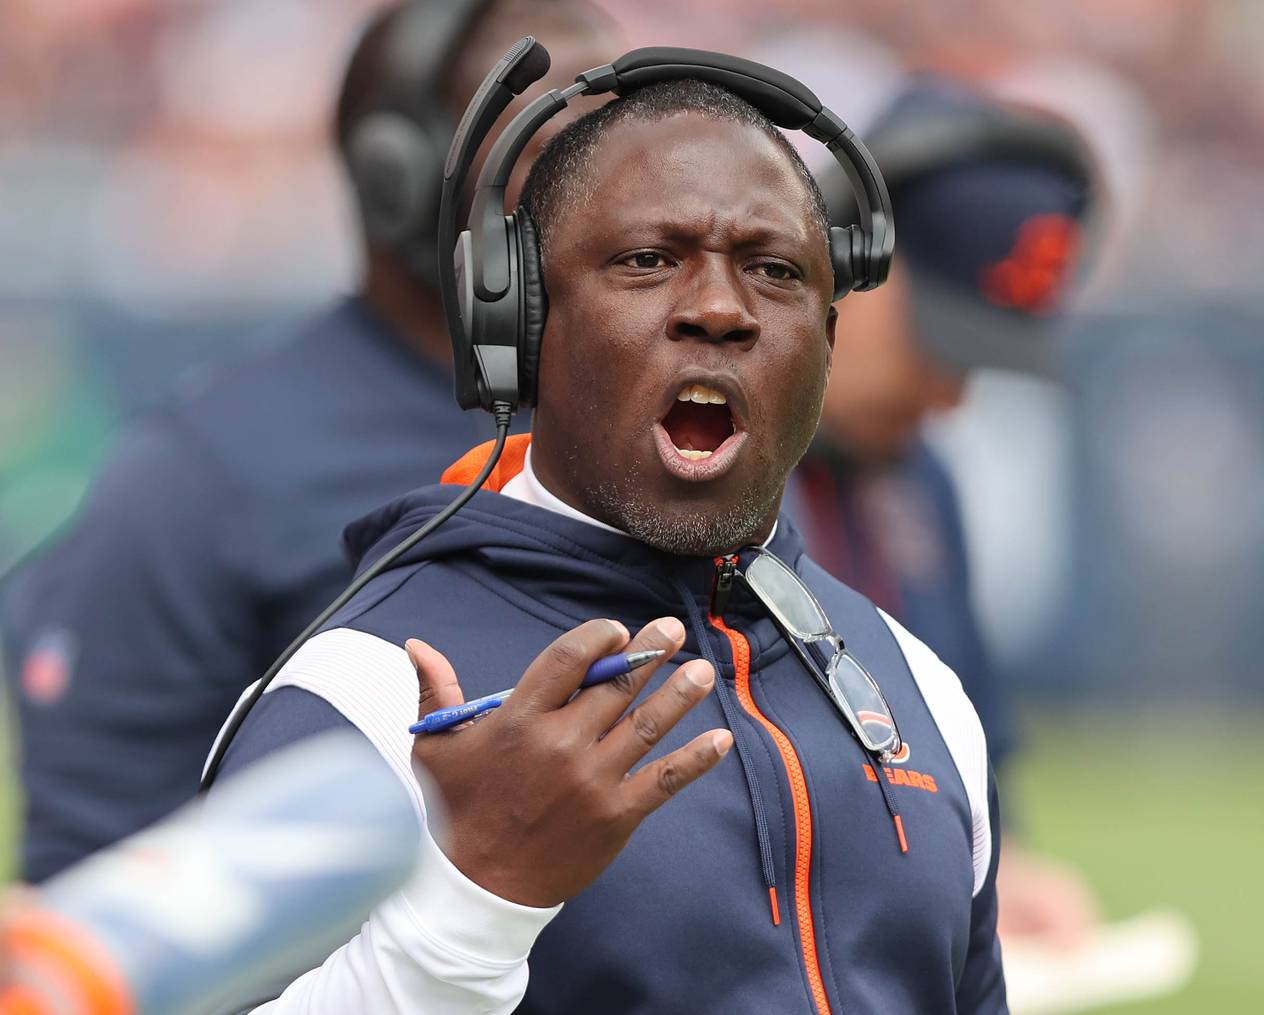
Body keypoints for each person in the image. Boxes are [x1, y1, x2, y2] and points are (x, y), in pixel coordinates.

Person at [211, 75, 1006, 1012]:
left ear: (826, 340)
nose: (720, 307)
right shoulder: (365, 692)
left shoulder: (924, 691)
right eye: (646, 259)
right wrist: (473, 904)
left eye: (775, 270)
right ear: (521, 325)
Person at [0, 0, 616, 882]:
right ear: (399, 177)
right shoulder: (200, 475)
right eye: (549, 137)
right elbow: (97, 898)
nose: (615, 179)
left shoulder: (649, 432)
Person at [786, 80, 1102, 945]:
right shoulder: (676, 474)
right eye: (939, 340)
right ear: (841, 250)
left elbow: (972, 767)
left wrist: (1009, 870)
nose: (951, 398)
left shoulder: (922, 481)